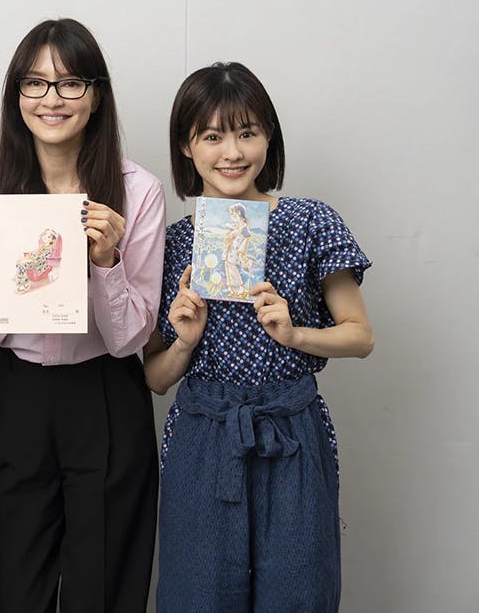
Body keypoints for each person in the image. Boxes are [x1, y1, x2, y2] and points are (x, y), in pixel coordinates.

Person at [143, 62, 374, 612]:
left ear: (269, 137)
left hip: (291, 430)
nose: (232, 152)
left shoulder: (311, 222)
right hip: (203, 434)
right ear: (186, 146)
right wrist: (184, 341)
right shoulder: (172, 242)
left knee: (298, 591)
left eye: (247, 133)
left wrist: (294, 332)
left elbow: (361, 336)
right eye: (213, 136)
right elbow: (154, 379)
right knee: (198, 593)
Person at [0, 18, 166, 612]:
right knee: (14, 582)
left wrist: (107, 262)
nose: (52, 99)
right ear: (16, 94)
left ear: (96, 95)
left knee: (104, 584)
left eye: (70, 84)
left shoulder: (136, 190)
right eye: (35, 83)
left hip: (106, 391)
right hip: (18, 394)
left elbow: (131, 339)